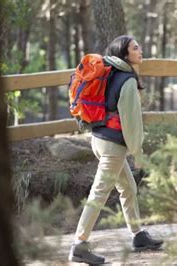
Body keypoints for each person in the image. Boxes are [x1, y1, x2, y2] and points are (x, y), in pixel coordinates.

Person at [69, 35, 163, 265]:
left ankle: (138, 235)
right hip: (113, 146)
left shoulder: (110, 72)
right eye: (135, 48)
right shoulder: (127, 80)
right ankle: (79, 245)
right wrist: (138, 154)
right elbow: (132, 123)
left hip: (99, 139)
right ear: (125, 54)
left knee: (128, 187)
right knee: (99, 193)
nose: (140, 50)